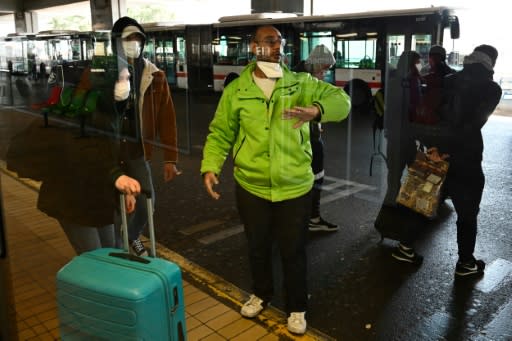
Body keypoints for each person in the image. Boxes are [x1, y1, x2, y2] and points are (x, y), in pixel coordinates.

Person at [200, 25, 350, 335]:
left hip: (294, 186)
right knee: (257, 247)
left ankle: (297, 307)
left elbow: (342, 102)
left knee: (293, 250)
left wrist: (316, 110)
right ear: (254, 46)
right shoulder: (237, 90)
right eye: (269, 41)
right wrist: (210, 166)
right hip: (251, 185)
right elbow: (221, 132)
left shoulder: (300, 83)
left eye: (279, 42)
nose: (277, 46)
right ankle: (262, 294)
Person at [110, 17, 180, 256]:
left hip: (138, 150)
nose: (134, 44)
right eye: (128, 39)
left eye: (138, 39)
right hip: (108, 151)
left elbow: (167, 119)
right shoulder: (104, 72)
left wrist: (170, 158)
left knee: (146, 202)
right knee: (115, 205)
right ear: (117, 42)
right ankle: (120, 248)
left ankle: (129, 236)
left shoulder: (155, 75)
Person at [437, 45, 502, 277]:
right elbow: (474, 123)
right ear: (490, 62)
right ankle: (465, 263)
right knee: (467, 211)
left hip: (438, 150)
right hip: (466, 156)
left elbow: (439, 115)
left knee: (427, 197)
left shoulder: (449, 79)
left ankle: (405, 245)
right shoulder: (492, 89)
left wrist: (441, 148)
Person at [374, 51, 426, 265]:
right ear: (412, 63)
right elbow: (413, 109)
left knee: (394, 179)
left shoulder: (395, 79)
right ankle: (398, 221)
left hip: (396, 136)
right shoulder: (409, 81)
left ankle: (390, 220)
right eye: (417, 62)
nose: (419, 65)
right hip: (406, 136)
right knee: (409, 180)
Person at [294, 44, 339, 232]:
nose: (325, 73)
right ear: (317, 65)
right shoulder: (302, 80)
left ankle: (307, 217)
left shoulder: (305, 75)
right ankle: (310, 218)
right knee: (313, 178)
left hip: (308, 136)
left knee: (311, 178)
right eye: (324, 69)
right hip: (304, 141)